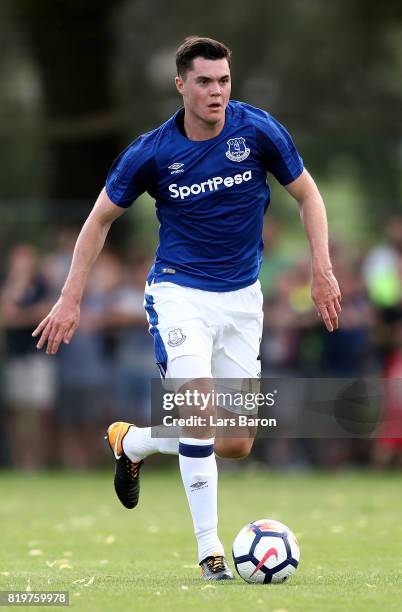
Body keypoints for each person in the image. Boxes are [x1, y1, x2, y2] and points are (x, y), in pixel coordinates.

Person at [33, 36, 341, 580]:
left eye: (223, 81)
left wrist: (323, 269)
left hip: (243, 299)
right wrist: (70, 297)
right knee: (199, 416)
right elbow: (99, 220)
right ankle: (209, 553)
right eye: (204, 82)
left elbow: (310, 196)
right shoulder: (151, 152)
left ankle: (132, 442)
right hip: (179, 294)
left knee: (237, 442)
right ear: (181, 86)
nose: (216, 92)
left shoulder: (259, 131)